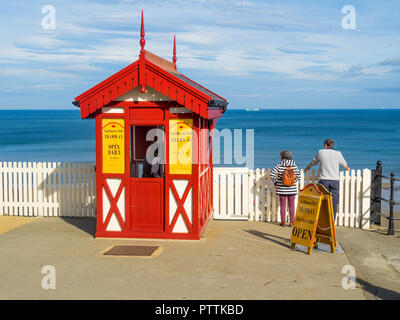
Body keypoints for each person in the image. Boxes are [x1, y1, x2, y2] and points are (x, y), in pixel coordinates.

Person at [305, 138, 350, 219]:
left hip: (324, 180)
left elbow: (313, 162)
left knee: (323, 200)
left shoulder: (321, 152)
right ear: (332, 145)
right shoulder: (338, 153)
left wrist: (308, 168)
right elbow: (344, 164)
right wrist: (347, 168)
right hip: (335, 181)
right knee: (334, 201)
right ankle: (332, 219)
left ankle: (323, 219)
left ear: (325, 145)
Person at [271, 150, 301, 227]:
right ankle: (291, 222)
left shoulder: (279, 165)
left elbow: (272, 174)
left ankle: (283, 222)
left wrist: (276, 182)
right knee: (291, 206)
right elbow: (298, 176)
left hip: (281, 189)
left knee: (283, 206)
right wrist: (292, 182)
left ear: (282, 157)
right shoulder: (294, 165)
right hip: (292, 189)